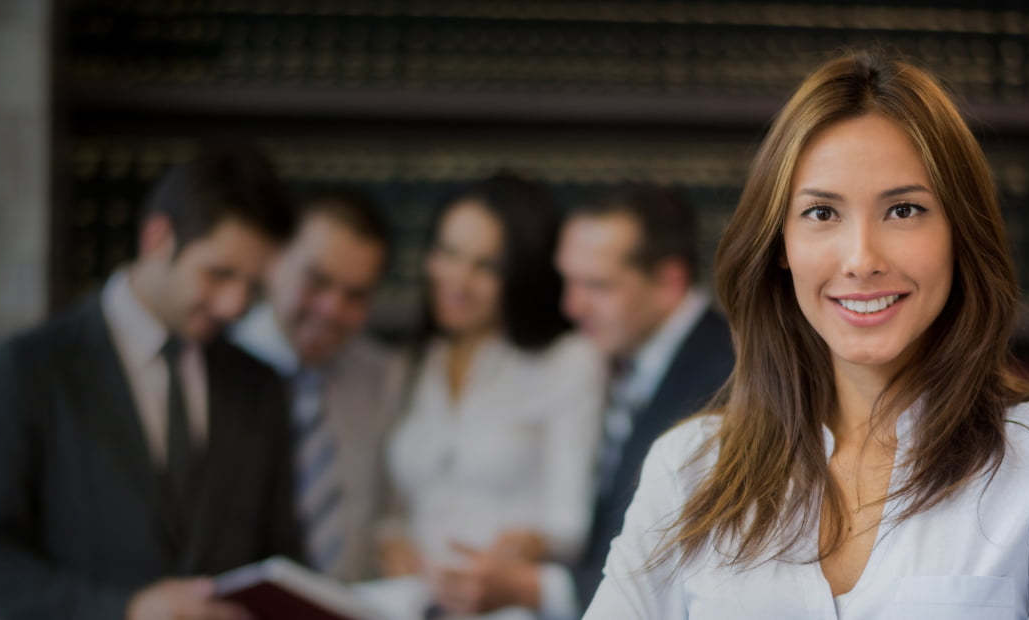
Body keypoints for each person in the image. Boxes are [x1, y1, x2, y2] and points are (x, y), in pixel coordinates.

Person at [585, 52, 1029, 618]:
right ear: (781, 246)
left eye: (904, 210)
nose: (861, 260)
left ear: (960, 233)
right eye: (822, 213)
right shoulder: (688, 469)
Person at [0, 144, 302, 620]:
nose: (233, 305)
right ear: (157, 238)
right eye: (218, 274)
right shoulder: (28, 370)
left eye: (252, 287)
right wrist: (124, 609)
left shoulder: (260, 384)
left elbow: (283, 562)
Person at [431, 184, 735, 618]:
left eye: (597, 285)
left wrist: (530, 588)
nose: (572, 306)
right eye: (567, 280)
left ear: (670, 282)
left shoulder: (726, 380)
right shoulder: (616, 361)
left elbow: (689, 571)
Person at [379, 172, 605, 606]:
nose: (457, 280)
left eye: (486, 267)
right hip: (408, 601)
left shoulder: (567, 362)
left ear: (521, 274)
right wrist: (391, 541)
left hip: (504, 605)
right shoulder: (416, 362)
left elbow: (569, 526)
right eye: (447, 253)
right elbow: (398, 506)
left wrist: (524, 549)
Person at [232, 188, 403, 582]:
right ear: (273, 261)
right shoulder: (217, 369)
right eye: (317, 281)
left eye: (356, 295)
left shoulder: (384, 376)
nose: (331, 310)